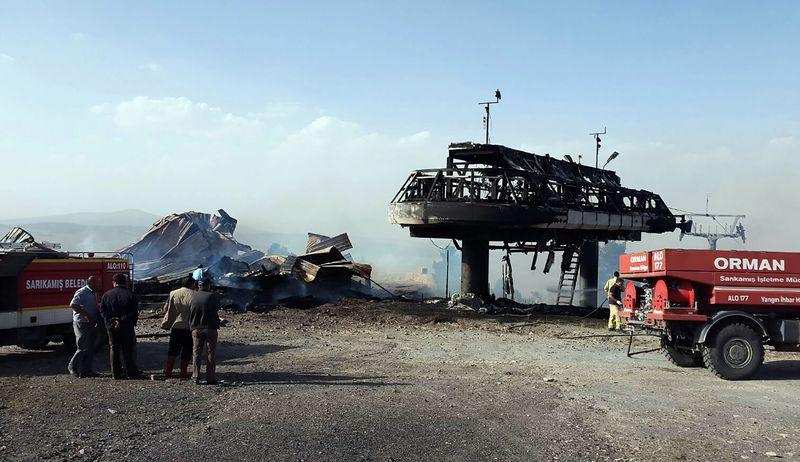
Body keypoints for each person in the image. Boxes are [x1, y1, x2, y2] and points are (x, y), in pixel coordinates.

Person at [100, 273, 142, 379]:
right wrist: (122, 321)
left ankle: (116, 373)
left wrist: (113, 320)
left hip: (111, 327)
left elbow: (103, 311)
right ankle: (131, 372)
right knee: (127, 349)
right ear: (125, 282)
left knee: (114, 348)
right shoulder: (131, 295)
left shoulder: (107, 295)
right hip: (127, 326)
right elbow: (134, 312)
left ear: (114, 283)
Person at [67, 276, 103, 378]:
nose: (100, 285)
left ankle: (86, 370)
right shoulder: (82, 292)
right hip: (81, 322)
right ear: (91, 283)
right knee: (83, 346)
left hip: (91, 322)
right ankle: (72, 366)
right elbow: (73, 305)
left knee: (91, 347)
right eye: (98, 283)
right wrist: (87, 316)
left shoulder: (94, 293)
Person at [161, 276, 196, 379]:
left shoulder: (173, 293)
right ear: (192, 284)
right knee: (187, 349)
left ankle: (168, 371)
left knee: (173, 349)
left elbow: (167, 309)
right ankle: (183, 373)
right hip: (189, 326)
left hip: (176, 325)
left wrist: (168, 322)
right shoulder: (195, 294)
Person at [189, 277, 220, 385]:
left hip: (196, 328)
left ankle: (195, 376)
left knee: (196, 352)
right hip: (210, 328)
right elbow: (217, 308)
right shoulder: (212, 296)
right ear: (208, 286)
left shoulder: (192, 295)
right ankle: (210, 377)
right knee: (210, 353)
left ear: (198, 285)